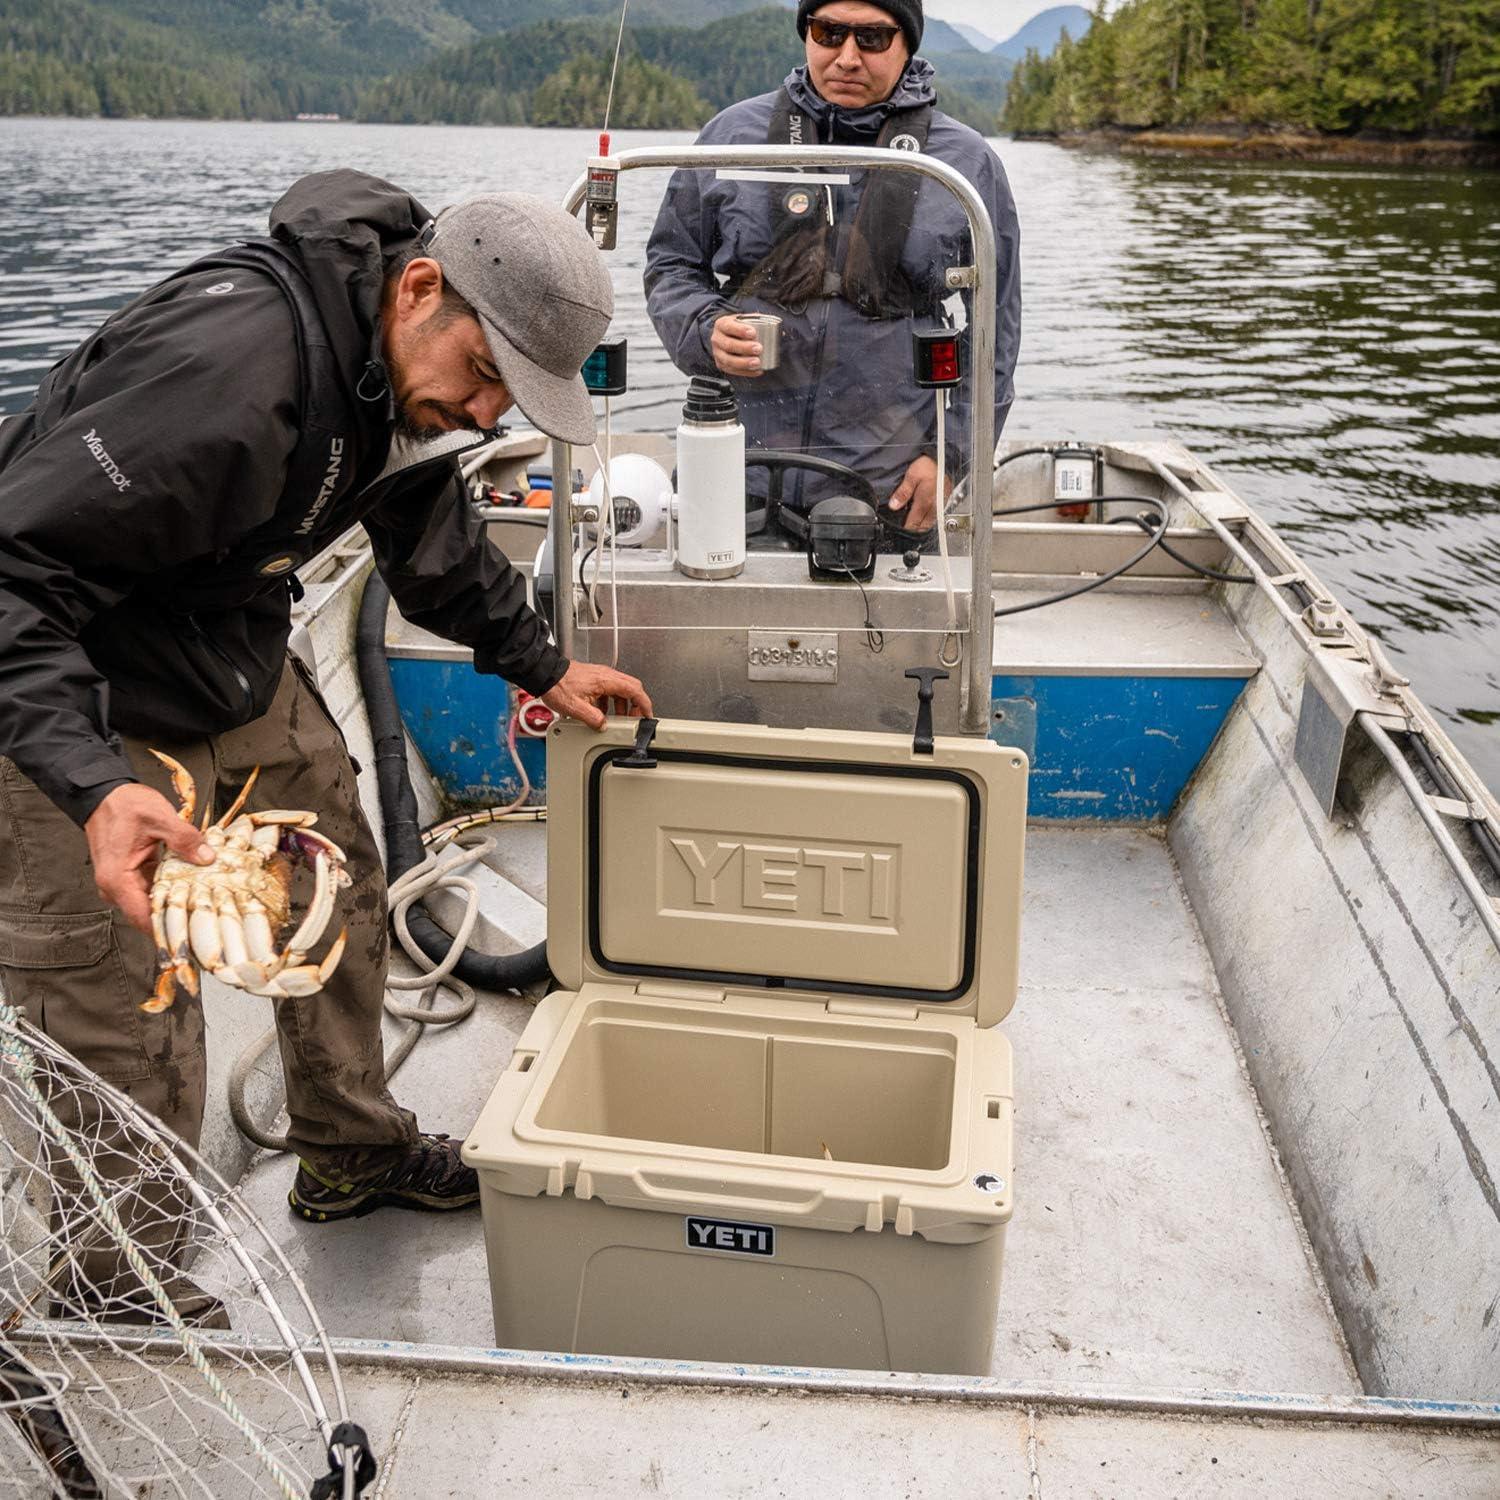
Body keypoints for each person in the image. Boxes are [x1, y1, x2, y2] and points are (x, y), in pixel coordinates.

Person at [0, 170, 650, 1315]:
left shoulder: (395, 372)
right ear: (419, 288)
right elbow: (12, 567)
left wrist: (541, 663)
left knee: (336, 882)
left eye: (510, 395)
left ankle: (351, 1151)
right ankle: (117, 1294)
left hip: (219, 640)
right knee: (136, 991)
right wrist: (94, 786)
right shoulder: (226, 380)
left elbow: (426, 531)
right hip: (67, 681)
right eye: (485, 375)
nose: (487, 414)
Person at [645, 0, 1021, 542]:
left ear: (907, 43)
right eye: (828, 33)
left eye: (872, 39)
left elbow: (996, 327)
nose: (847, 57)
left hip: (889, 486)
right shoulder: (731, 134)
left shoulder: (966, 161)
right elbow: (671, 264)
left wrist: (950, 455)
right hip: (733, 465)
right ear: (806, 33)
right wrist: (705, 329)